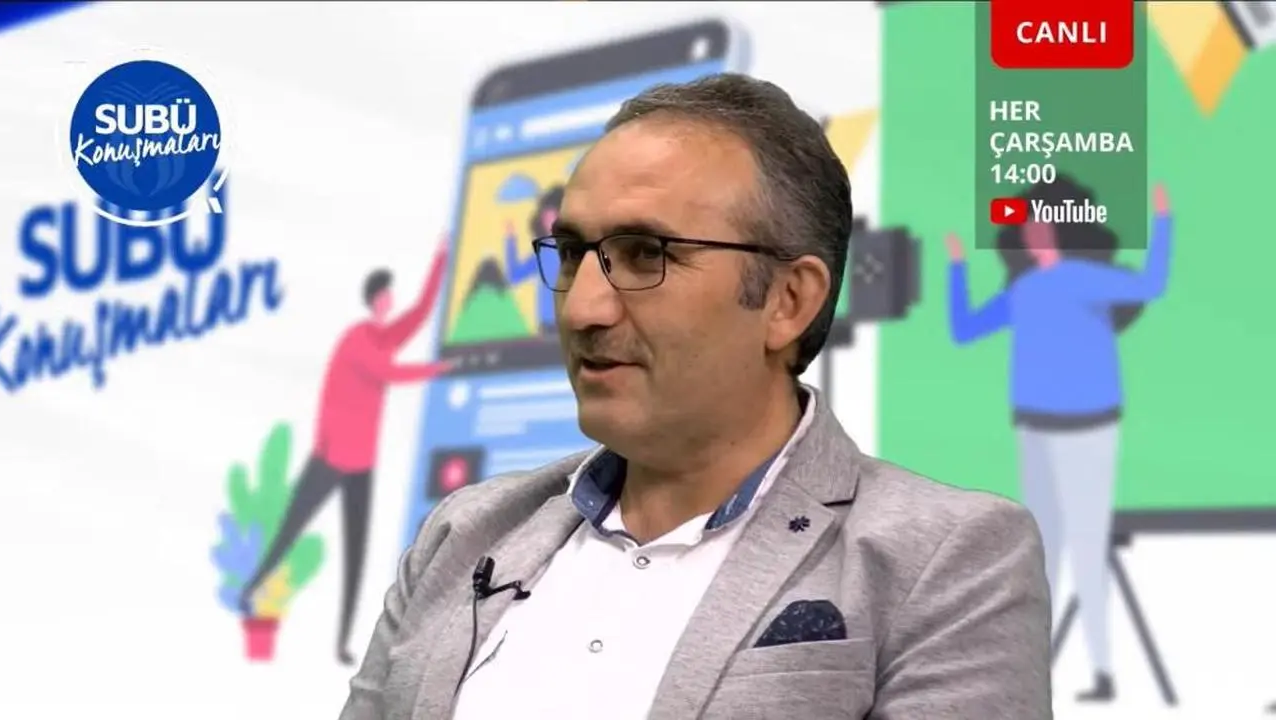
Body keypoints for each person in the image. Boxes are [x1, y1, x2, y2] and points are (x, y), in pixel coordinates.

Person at [340, 74, 1050, 720]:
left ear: (788, 300)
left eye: (646, 254)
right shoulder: (468, 530)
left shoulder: (945, 557)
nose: (582, 307)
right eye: (574, 254)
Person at [944, 178, 1173, 703]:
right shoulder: (1022, 290)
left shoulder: (1088, 279)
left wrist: (1164, 222)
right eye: (1028, 227)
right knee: (1042, 548)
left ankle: (1102, 670)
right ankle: (1036, 670)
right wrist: (956, 268)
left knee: (1089, 544)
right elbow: (965, 328)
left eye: (1041, 225)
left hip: (1090, 428)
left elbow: (1153, 284)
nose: (1034, 233)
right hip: (1035, 428)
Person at [239, 244, 453, 666]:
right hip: (330, 457)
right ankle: (251, 587)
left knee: (356, 552)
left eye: (390, 296)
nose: (389, 302)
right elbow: (388, 373)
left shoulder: (383, 338)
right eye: (384, 296)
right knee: (291, 527)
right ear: (373, 300)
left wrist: (440, 261)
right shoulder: (357, 340)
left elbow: (419, 313)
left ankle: (343, 642)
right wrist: (438, 370)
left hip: (361, 463)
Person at [504, 184, 565, 334]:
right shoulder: (541, 253)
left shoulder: (575, 249)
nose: (548, 221)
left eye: (552, 215)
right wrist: (510, 240)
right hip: (547, 327)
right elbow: (514, 276)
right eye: (545, 216)